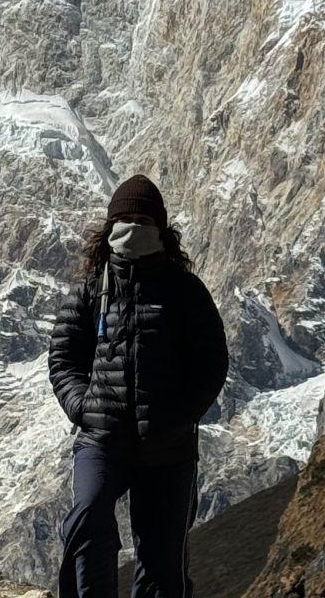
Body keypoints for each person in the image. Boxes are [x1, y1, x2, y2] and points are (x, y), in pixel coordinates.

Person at [48, 174, 229, 598]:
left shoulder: (184, 291)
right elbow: (62, 358)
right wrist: (83, 407)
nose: (133, 227)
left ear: (161, 228)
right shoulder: (91, 289)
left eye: (142, 219)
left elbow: (211, 362)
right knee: (88, 520)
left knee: (162, 565)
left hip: (168, 449)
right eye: (125, 219)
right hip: (102, 439)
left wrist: (180, 417)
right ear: (109, 226)